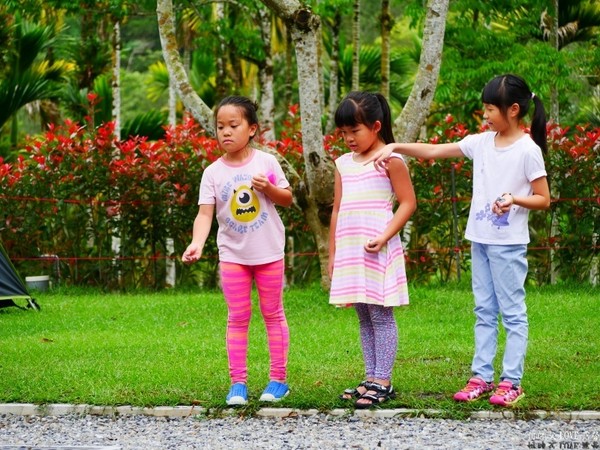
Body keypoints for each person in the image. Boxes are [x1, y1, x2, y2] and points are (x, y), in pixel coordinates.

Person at [366, 74, 551, 407]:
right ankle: (481, 376)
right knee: (483, 310)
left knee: (512, 313)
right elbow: (434, 151)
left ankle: (511, 381)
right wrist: (396, 146)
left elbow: (543, 198)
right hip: (479, 240)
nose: (485, 115)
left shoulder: (528, 150)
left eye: (490, 109)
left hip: (508, 244)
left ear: (512, 110)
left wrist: (515, 199)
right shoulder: (481, 143)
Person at [182, 96, 293, 406]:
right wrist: (197, 243)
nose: (225, 132)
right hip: (232, 256)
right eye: (220, 127)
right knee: (237, 317)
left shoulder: (266, 162)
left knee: (273, 314)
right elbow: (205, 214)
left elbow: (286, 198)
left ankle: (278, 380)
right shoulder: (212, 173)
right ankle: (238, 384)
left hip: (269, 252)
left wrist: (268, 189)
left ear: (252, 128)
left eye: (233, 125)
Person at [329, 91, 417, 409]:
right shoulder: (342, 164)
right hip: (352, 251)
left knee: (381, 315)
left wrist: (384, 236)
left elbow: (408, 203)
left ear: (376, 126)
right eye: (344, 133)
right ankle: (370, 377)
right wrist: (333, 253)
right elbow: (337, 209)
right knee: (363, 316)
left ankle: (383, 379)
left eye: (355, 131)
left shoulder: (390, 160)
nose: (349, 138)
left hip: (377, 248)